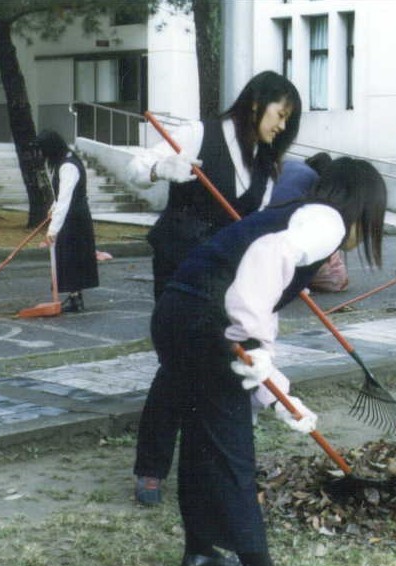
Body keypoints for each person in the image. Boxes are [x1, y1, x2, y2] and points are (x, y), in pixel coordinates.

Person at [149, 157, 385, 566]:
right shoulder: (327, 221)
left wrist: (278, 392)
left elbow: (263, 308)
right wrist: (251, 342)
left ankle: (201, 555)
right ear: (361, 205)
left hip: (178, 313)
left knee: (203, 442)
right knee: (231, 450)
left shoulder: (295, 214)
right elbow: (264, 262)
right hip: (205, 321)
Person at [126, 70, 302, 505]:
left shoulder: (265, 161)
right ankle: (151, 468)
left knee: (218, 363)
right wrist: (160, 168)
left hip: (222, 274)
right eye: (281, 114)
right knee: (180, 363)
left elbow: (254, 227)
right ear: (257, 103)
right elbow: (133, 166)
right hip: (179, 266)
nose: (282, 127)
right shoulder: (199, 133)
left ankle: (214, 464)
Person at [36, 129, 99, 313]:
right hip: (72, 214)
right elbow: (61, 197)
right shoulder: (66, 159)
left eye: (43, 150)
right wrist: (53, 208)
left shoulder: (67, 166)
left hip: (74, 217)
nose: (42, 155)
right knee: (69, 257)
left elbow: (65, 198)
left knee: (72, 256)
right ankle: (74, 297)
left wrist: (52, 230)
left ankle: (75, 299)